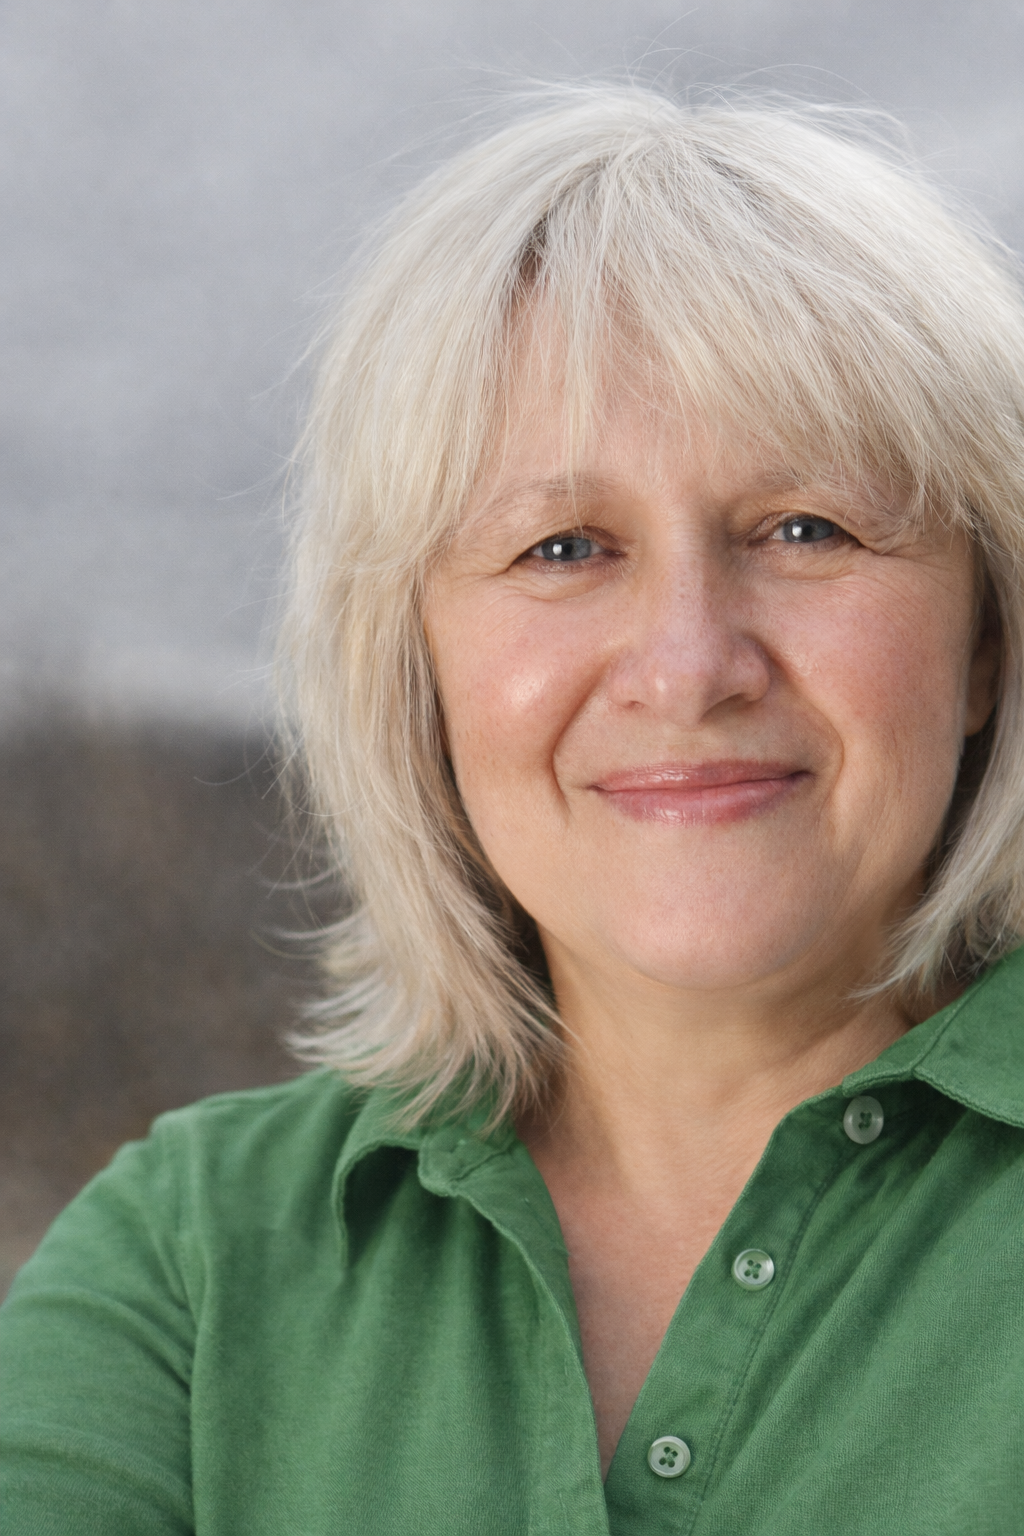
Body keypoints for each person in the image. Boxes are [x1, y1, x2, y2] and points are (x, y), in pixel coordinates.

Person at [2, 86, 1022, 1535]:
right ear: (415, 665)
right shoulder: (193, 1262)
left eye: (808, 529)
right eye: (563, 547)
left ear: (986, 642)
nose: (689, 667)